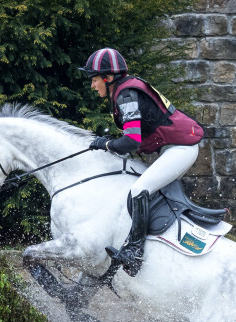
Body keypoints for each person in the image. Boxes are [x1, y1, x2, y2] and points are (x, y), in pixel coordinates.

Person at [79, 47, 204, 276]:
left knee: (139, 190)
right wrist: (109, 142)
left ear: (108, 78)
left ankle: (134, 252)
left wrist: (105, 145)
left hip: (181, 149)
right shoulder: (125, 90)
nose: (92, 85)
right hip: (172, 148)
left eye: (95, 79)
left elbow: (132, 141)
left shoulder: (126, 94)